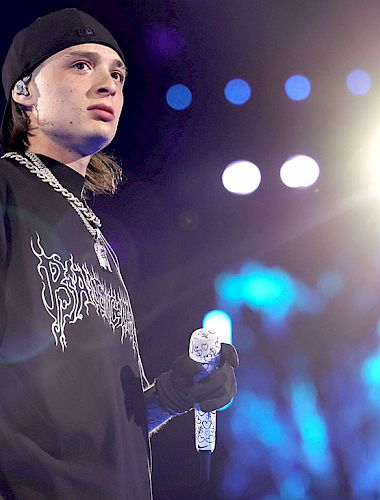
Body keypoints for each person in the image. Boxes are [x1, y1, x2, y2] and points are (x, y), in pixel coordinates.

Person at [0, 8, 238, 499]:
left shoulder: (90, 230)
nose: (107, 83)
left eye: (117, 73)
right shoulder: (6, 190)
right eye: (80, 65)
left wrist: (177, 392)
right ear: (24, 91)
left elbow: (101, 434)